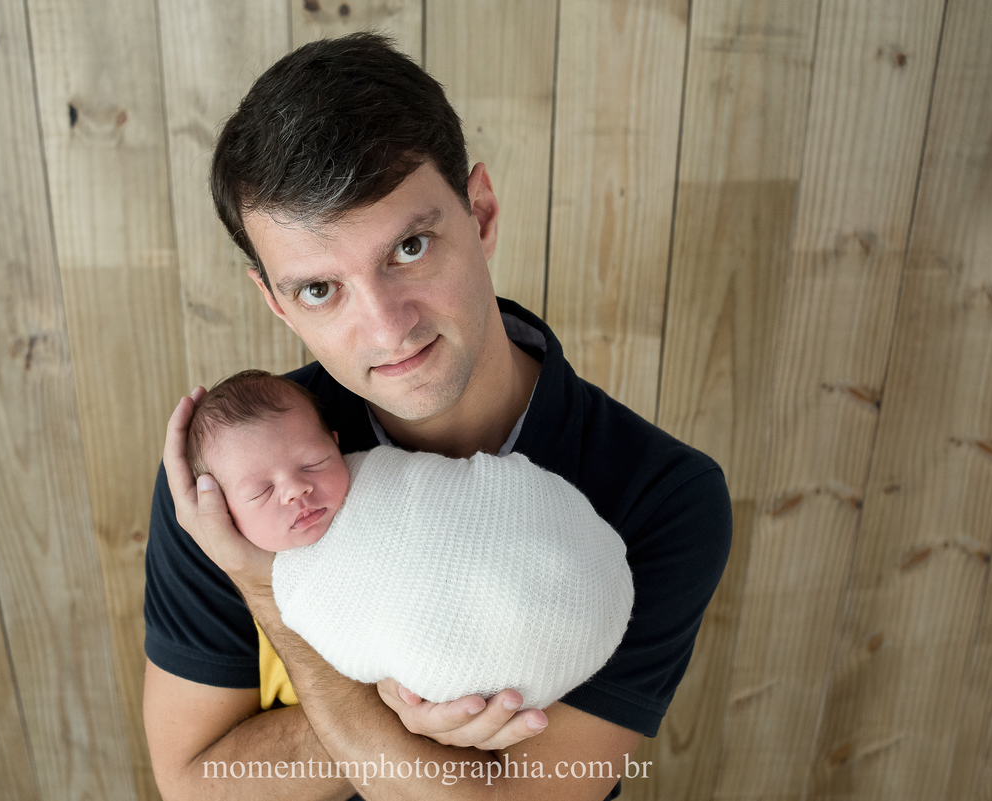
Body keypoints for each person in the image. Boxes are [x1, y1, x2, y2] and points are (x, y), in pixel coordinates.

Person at [143, 32, 732, 801]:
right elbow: (195, 784)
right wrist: (396, 700)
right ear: (276, 301)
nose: (387, 327)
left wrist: (276, 598)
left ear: (480, 214)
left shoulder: (664, 494)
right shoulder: (235, 475)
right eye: (320, 289)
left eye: (410, 247)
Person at [184, 368, 634, 712]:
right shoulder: (230, 571)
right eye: (261, 492)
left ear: (336, 444)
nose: (295, 489)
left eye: (313, 462)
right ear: (218, 509)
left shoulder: (382, 481)